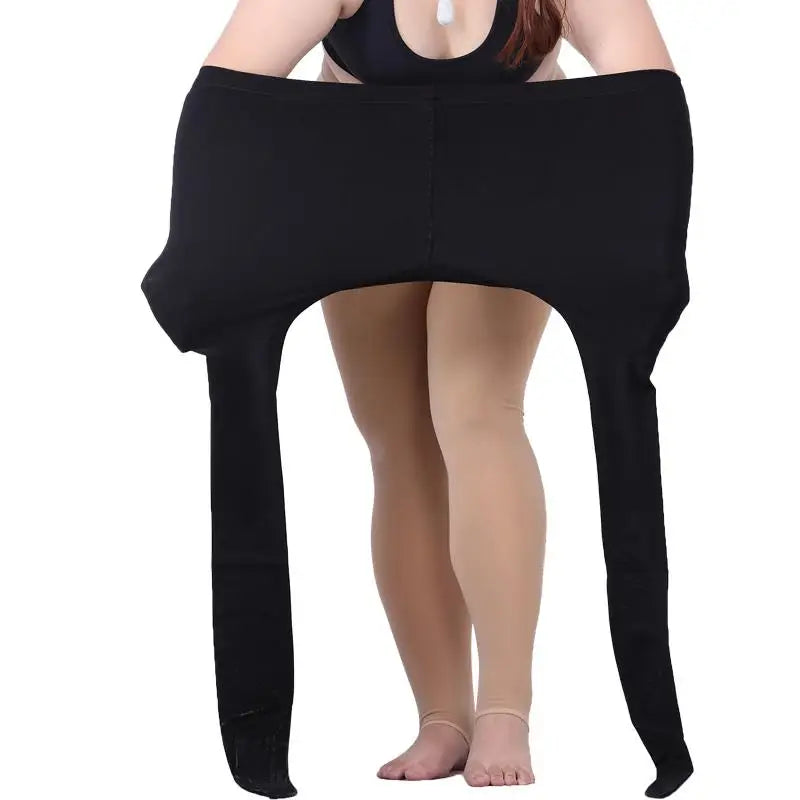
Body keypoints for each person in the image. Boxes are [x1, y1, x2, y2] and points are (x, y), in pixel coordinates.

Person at [200, 0, 677, 789]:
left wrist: (637, 242)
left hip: (513, 175)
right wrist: (216, 246)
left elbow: (648, 98)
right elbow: (228, 93)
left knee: (476, 408)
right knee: (398, 439)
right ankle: (443, 719)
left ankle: (504, 711)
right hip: (359, 183)